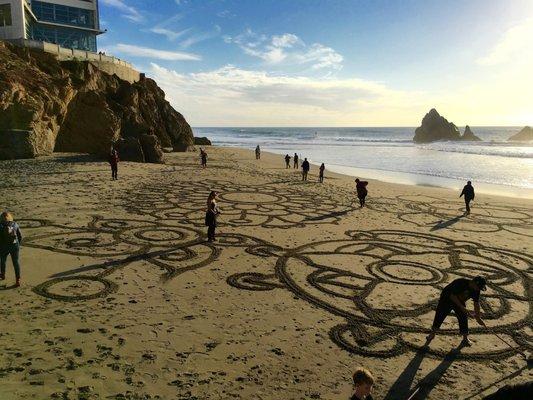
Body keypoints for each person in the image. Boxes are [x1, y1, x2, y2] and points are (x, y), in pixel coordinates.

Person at [425, 276, 487, 347]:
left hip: (460, 300)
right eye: (478, 287)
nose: (479, 289)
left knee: (463, 317)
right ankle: (432, 334)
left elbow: (476, 303)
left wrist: (478, 317)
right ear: (474, 283)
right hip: (446, 298)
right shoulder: (460, 282)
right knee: (440, 315)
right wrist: (462, 307)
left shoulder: (476, 290)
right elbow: (452, 296)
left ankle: (465, 338)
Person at [0, 211, 23, 287]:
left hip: (4, 246)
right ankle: (18, 279)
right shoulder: (15, 224)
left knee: (3, 260)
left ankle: (3, 275)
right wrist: (17, 244)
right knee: (16, 262)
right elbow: (20, 236)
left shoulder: (1, 225)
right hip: (14, 245)